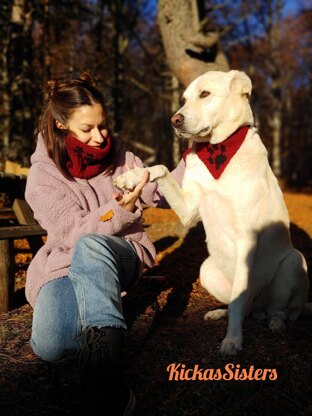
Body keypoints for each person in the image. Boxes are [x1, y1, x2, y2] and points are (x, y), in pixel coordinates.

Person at [25, 72, 185, 415]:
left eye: (103, 126)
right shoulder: (42, 176)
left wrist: (194, 156)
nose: (100, 137)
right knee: (53, 346)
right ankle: (96, 310)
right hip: (65, 266)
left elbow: (159, 190)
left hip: (121, 255)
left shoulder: (121, 157)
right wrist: (117, 211)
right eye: (88, 129)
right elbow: (71, 234)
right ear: (61, 124)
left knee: (93, 248)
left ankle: (106, 378)